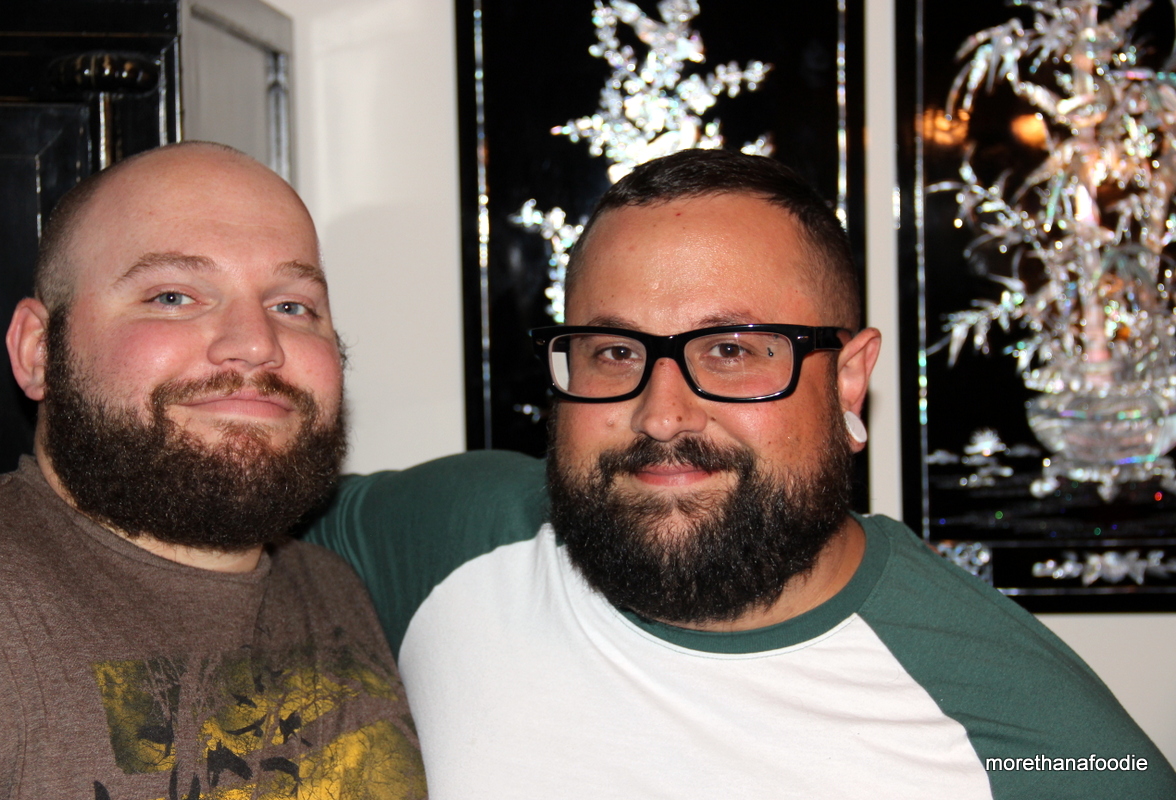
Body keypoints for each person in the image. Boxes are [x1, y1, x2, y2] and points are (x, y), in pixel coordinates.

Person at [305, 149, 1176, 798]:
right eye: (614, 351)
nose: (663, 416)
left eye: (730, 350)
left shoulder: (1035, 741)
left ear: (848, 379)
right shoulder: (456, 539)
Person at [0, 142, 426, 799]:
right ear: (39, 351)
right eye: (173, 296)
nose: (257, 343)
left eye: (292, 306)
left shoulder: (334, 590)